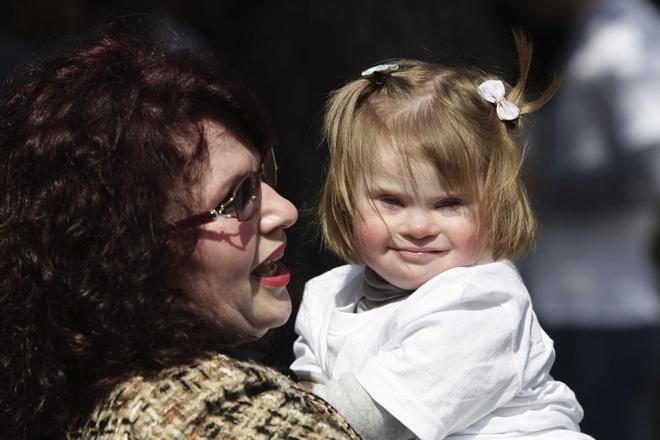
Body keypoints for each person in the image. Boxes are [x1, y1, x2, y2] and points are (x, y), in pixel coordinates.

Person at [0, 28, 360, 440]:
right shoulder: (213, 417)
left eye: (263, 173)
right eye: (239, 195)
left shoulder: (99, 404)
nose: (286, 211)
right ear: (133, 254)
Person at [290, 34, 593, 439]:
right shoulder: (327, 296)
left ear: (494, 205)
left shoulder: (482, 304)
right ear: (346, 198)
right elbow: (303, 394)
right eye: (392, 201)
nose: (418, 228)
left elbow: (369, 417)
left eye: (449, 204)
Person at [511, 0, 660, 438]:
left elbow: (651, 171)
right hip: (572, 305)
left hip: (599, 310)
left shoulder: (623, 38)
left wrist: (544, 185)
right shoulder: (595, 31)